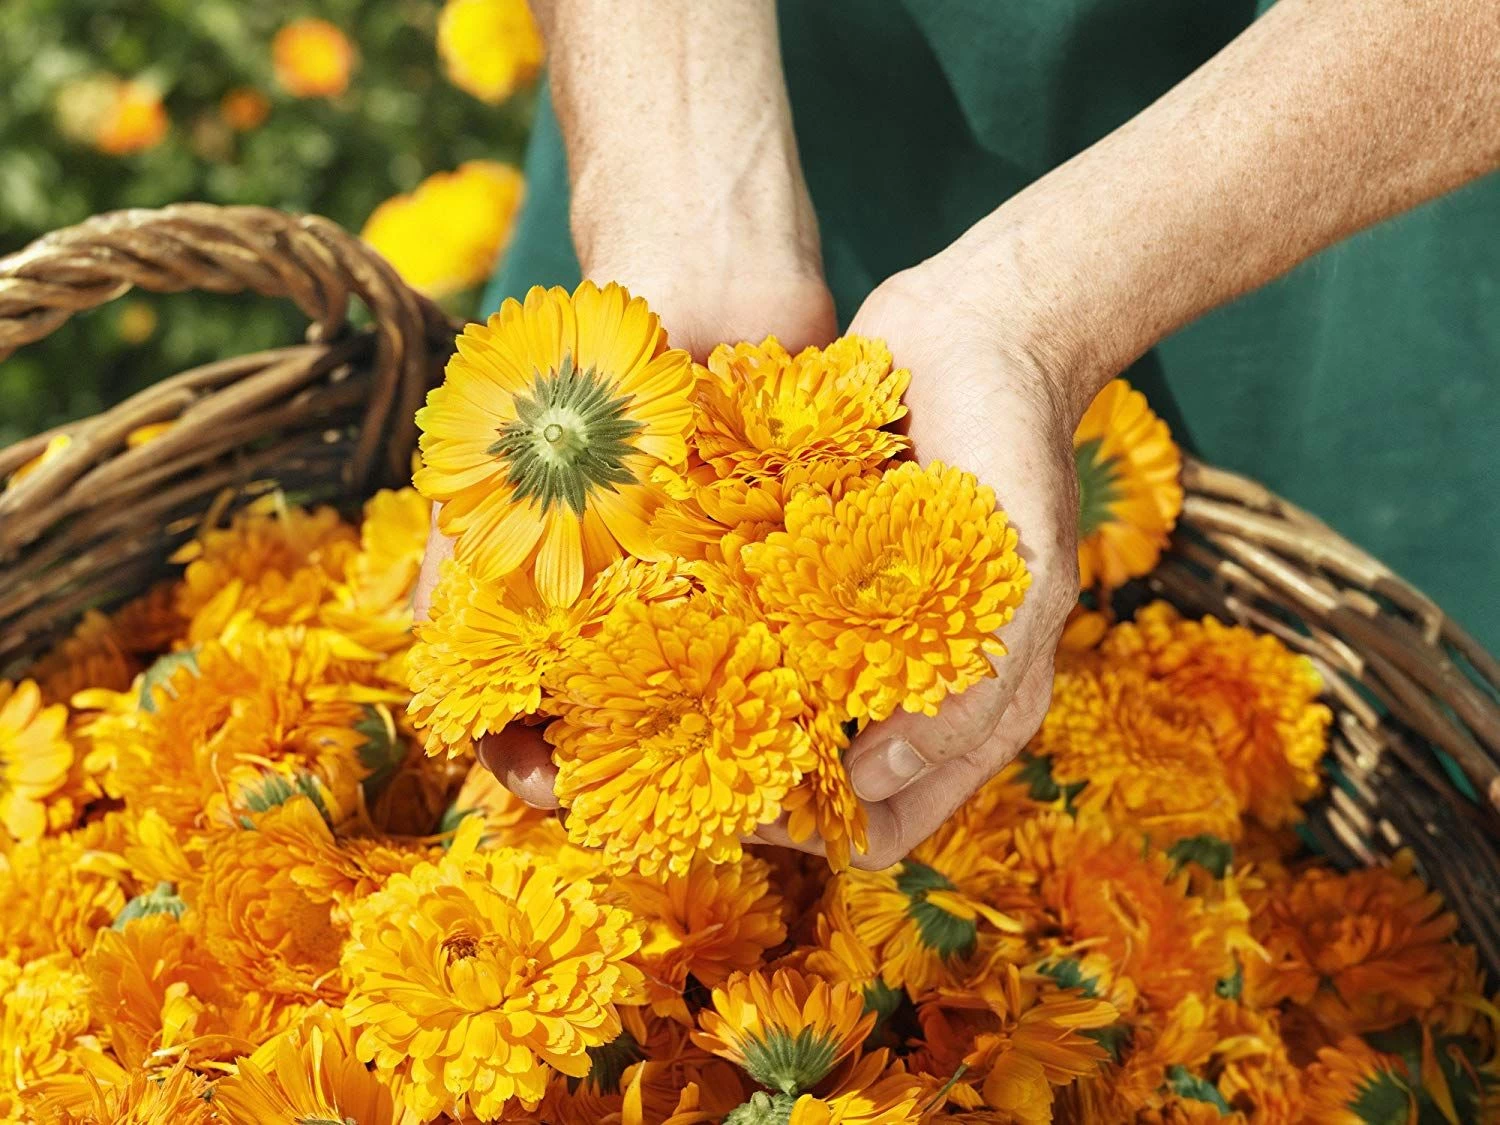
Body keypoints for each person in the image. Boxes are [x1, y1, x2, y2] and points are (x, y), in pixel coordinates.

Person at [417, 0, 1500, 870]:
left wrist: (1031, 314)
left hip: (1359, 115)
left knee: (1370, 788)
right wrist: (681, 195)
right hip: (763, 84)